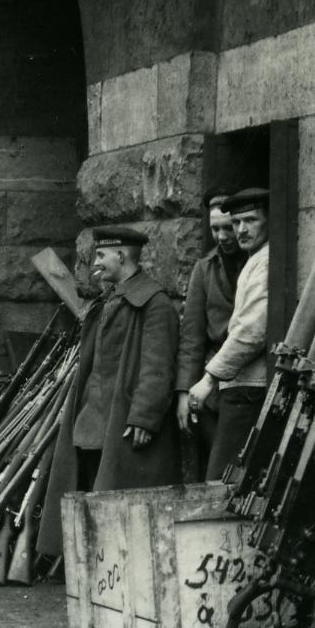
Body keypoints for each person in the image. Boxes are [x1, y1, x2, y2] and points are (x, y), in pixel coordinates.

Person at [39, 225, 183, 558]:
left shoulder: (154, 303)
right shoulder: (110, 299)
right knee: (93, 503)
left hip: (126, 425)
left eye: (101, 255)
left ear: (122, 255)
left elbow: (158, 367)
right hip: (93, 424)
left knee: (125, 512)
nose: (95, 263)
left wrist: (145, 418)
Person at [188, 187, 273, 473]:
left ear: (269, 219)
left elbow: (251, 332)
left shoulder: (266, 262)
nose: (241, 230)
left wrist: (209, 379)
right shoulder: (255, 259)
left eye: (250, 220)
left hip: (248, 386)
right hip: (238, 385)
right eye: (237, 222)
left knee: (222, 478)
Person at [175, 195, 248, 480]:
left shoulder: (257, 262)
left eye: (228, 227)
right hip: (213, 391)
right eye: (215, 229)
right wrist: (183, 393)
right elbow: (192, 338)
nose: (222, 236)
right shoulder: (204, 269)